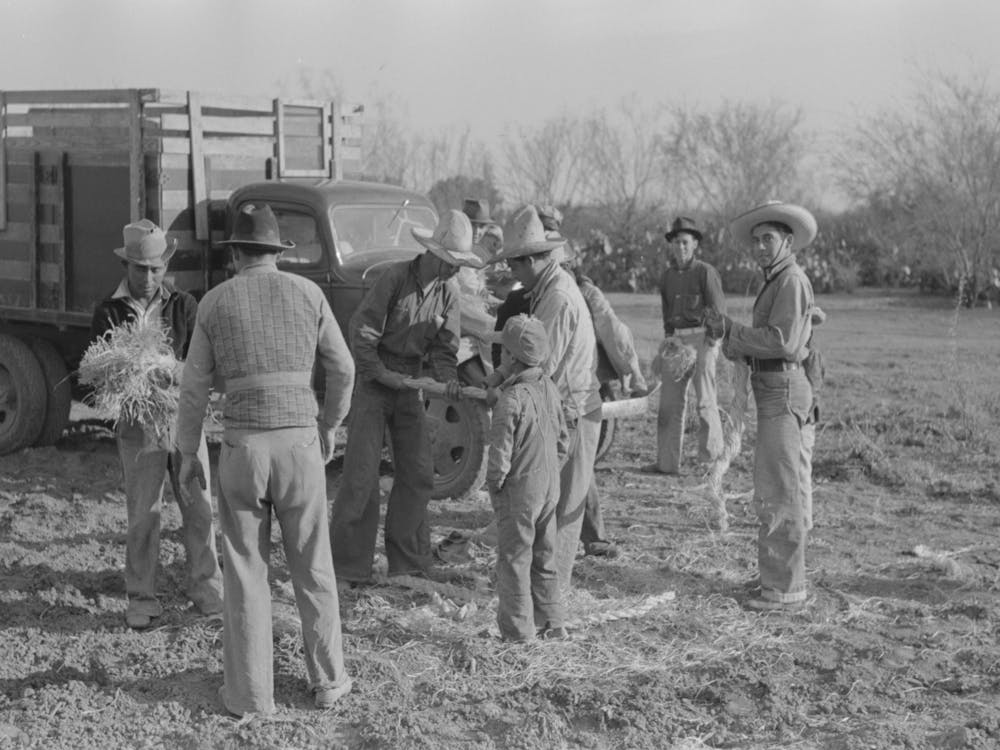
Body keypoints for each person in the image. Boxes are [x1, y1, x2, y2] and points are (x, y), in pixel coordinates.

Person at [175, 203, 356, 714]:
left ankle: (252, 696)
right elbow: (343, 370)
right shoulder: (310, 294)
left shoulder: (213, 302)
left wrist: (187, 452)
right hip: (300, 445)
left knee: (246, 574)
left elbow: (193, 389)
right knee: (314, 567)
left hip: (243, 449)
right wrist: (328, 426)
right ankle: (329, 681)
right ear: (277, 253)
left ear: (234, 253)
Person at [331, 209, 483, 584]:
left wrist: (446, 380)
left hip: (412, 384)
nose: (454, 271)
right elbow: (362, 330)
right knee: (362, 476)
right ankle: (348, 568)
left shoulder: (448, 292)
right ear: (433, 254)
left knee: (417, 472)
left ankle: (408, 563)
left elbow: (446, 349)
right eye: (450, 263)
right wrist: (382, 374)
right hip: (373, 382)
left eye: (459, 265)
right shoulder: (395, 278)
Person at [90, 219, 223, 630]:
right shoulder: (108, 312)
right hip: (138, 427)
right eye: (139, 269)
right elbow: (103, 374)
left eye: (155, 269)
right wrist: (138, 375)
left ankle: (207, 589)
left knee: (199, 509)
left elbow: (200, 364)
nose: (148, 278)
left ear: (166, 267)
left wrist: (170, 370)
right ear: (126, 267)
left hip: (184, 422)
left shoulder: (186, 306)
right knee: (144, 515)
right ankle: (142, 597)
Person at [707, 201, 818, 612]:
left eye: (767, 239)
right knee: (773, 487)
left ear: (787, 241)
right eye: (756, 240)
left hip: (783, 390)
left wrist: (733, 331)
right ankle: (776, 578)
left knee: (781, 490)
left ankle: (786, 591)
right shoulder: (778, 281)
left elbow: (782, 342)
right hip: (773, 388)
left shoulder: (790, 281)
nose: (760, 246)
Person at [488, 205, 602, 594]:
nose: (513, 273)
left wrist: (504, 393)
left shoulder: (557, 299)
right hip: (557, 408)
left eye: (518, 264)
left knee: (561, 512)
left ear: (537, 259)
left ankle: (553, 600)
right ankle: (543, 591)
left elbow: (539, 365)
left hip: (571, 411)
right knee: (544, 507)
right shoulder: (544, 290)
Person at [488, 314, 569, 641]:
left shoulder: (511, 399)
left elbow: (499, 455)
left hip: (522, 493)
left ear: (509, 357)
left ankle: (518, 633)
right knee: (544, 556)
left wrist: (495, 486)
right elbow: (564, 441)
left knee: (514, 560)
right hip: (551, 489)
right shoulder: (550, 387)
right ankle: (553, 622)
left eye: (502, 353)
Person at [644, 217, 726, 475]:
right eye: (676, 242)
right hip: (678, 340)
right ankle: (667, 464)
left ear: (695, 244)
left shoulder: (705, 272)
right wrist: (669, 340)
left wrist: (711, 342)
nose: (680, 247)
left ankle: (710, 463)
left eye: (685, 242)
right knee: (669, 403)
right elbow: (667, 313)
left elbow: (717, 310)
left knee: (705, 401)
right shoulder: (668, 276)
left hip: (703, 338)